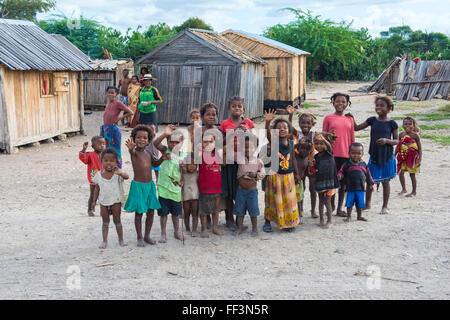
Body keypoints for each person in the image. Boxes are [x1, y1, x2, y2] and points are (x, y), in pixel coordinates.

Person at [349, 96, 399, 215]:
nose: (378, 107)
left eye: (382, 105)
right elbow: (356, 128)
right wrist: (351, 118)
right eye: (377, 105)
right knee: (370, 181)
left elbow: (397, 140)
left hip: (387, 156)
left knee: (386, 182)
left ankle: (385, 206)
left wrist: (387, 141)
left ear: (389, 108)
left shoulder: (392, 123)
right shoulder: (372, 120)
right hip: (374, 155)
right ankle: (367, 204)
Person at [219, 97, 255, 231]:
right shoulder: (224, 123)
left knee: (240, 191)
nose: (237, 108)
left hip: (243, 161)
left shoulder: (248, 123)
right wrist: (233, 132)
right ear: (229, 109)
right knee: (228, 191)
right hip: (229, 161)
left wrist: (247, 132)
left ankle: (239, 219)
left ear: (243, 109)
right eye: (234, 106)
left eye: (240, 106)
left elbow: (254, 140)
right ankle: (229, 219)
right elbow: (220, 141)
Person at [124, 125, 163, 247]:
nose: (142, 140)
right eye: (139, 137)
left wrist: (163, 157)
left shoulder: (148, 153)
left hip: (149, 186)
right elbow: (131, 152)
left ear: (149, 140)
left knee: (151, 212)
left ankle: (147, 236)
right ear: (134, 139)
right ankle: (139, 237)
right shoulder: (134, 153)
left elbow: (156, 163)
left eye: (145, 138)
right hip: (138, 187)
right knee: (139, 213)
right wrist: (130, 149)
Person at [263, 109, 300, 233]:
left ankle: (288, 222)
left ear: (289, 131)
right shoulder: (274, 142)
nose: (282, 129)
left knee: (288, 200)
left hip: (288, 176)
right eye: (279, 128)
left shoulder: (290, 143)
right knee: (272, 200)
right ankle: (267, 221)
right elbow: (267, 134)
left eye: (285, 128)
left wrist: (297, 174)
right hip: (275, 176)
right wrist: (268, 122)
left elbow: (293, 159)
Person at [322, 93, 355, 217]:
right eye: (337, 101)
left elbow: (352, 138)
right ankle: (331, 205)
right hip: (331, 155)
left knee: (343, 184)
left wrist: (353, 156)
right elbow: (323, 136)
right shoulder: (328, 118)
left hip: (346, 156)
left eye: (343, 102)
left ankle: (340, 208)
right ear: (333, 102)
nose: (340, 104)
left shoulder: (350, 119)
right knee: (332, 182)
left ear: (347, 104)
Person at [153, 125, 186, 243]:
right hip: (163, 187)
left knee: (176, 213)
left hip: (176, 189)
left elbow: (186, 172)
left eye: (177, 142)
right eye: (171, 142)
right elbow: (155, 144)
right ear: (167, 142)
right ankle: (163, 233)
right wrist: (165, 134)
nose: (173, 145)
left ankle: (176, 231)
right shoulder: (165, 151)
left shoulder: (183, 156)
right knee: (163, 213)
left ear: (182, 143)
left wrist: (184, 168)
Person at [91, 148, 129, 249]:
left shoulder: (118, 173)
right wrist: (94, 201)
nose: (109, 163)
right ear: (101, 161)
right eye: (106, 160)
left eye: (112, 161)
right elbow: (97, 189)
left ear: (116, 162)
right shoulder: (99, 175)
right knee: (105, 222)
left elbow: (127, 177)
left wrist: (120, 173)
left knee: (117, 221)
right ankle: (104, 241)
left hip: (116, 201)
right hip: (103, 202)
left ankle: (121, 239)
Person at [287, 105, 318, 218]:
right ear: (299, 124)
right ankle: (300, 210)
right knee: (301, 187)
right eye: (303, 123)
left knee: (313, 188)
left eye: (308, 123)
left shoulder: (314, 135)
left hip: (312, 164)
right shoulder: (298, 134)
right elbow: (289, 128)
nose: (306, 125)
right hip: (300, 165)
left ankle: (313, 211)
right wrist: (290, 115)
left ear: (312, 124)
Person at [234, 136, 265, 236]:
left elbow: (263, 174)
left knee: (253, 210)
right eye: (245, 147)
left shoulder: (258, 161)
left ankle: (254, 229)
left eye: (250, 147)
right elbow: (228, 153)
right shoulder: (239, 158)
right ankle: (239, 228)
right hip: (241, 190)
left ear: (255, 148)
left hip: (252, 191)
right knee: (239, 211)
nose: (247, 150)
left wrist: (255, 175)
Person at [337, 143, 374, 222]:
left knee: (359, 203)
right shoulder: (346, 164)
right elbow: (341, 171)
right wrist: (340, 175)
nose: (356, 155)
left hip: (360, 188)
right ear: (349, 153)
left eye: (358, 153)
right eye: (353, 153)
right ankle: (349, 216)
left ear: (362, 154)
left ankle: (359, 216)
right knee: (349, 203)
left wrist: (370, 184)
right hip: (350, 188)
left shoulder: (363, 164)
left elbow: (368, 175)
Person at [100, 86, 133, 169]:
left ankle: (118, 168)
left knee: (116, 150)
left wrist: (119, 118)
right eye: (109, 92)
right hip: (105, 129)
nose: (110, 94)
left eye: (113, 93)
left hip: (113, 130)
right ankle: (109, 167)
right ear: (107, 93)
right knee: (106, 149)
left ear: (116, 94)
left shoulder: (118, 103)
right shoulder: (108, 103)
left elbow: (130, 112)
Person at [198, 133, 223, 238]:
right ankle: (203, 229)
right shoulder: (199, 155)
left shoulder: (217, 154)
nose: (208, 144)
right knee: (203, 210)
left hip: (217, 187)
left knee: (215, 209)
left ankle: (215, 227)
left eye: (211, 141)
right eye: (205, 141)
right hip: (204, 187)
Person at [313, 133, 340, 228]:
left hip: (330, 182)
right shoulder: (316, 157)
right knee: (320, 201)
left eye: (321, 143)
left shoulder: (329, 153)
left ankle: (329, 221)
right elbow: (314, 169)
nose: (319, 146)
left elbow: (328, 146)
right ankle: (321, 220)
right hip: (320, 182)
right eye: (316, 143)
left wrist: (324, 140)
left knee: (327, 202)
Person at [79, 136, 105, 216]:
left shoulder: (105, 155)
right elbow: (83, 158)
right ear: (93, 146)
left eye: (103, 144)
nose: (102, 145)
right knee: (93, 195)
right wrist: (84, 150)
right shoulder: (90, 155)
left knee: (103, 195)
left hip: (104, 179)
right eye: (99, 144)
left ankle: (103, 210)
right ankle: (90, 209)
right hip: (94, 179)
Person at [395, 117, 421, 197]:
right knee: (400, 173)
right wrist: (394, 154)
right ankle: (404, 189)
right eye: (405, 124)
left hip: (413, 158)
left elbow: (419, 148)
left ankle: (414, 192)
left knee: (412, 174)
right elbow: (398, 146)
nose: (407, 126)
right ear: (402, 125)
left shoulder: (415, 135)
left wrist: (420, 159)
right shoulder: (401, 134)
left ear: (413, 126)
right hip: (403, 157)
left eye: (410, 124)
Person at [293, 137, 312, 224]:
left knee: (299, 200)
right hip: (291, 182)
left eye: (307, 149)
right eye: (302, 148)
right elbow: (291, 148)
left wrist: (313, 173)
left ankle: (299, 214)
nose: (304, 151)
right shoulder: (294, 157)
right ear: (298, 149)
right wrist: (299, 143)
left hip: (300, 183)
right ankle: (293, 215)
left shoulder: (306, 161)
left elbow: (307, 173)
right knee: (291, 200)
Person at [181, 153, 199, 237]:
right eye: (189, 164)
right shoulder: (183, 173)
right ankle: (187, 229)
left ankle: (194, 230)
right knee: (187, 214)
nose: (192, 166)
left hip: (195, 196)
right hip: (186, 196)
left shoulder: (197, 173)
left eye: (194, 164)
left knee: (195, 214)